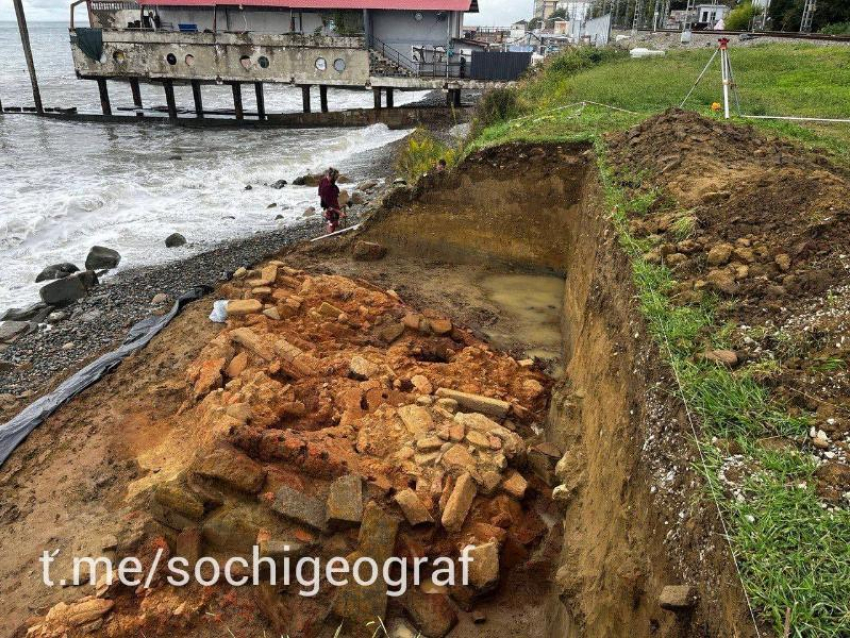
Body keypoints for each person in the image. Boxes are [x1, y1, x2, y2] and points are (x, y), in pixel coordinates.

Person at [318, 168, 345, 233]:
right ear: (332, 176)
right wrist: (340, 212)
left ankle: (332, 224)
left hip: (325, 202)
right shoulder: (327, 187)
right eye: (336, 177)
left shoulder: (324, 180)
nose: (336, 179)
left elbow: (320, 194)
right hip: (328, 205)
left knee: (332, 218)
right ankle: (330, 233)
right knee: (332, 220)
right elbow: (330, 205)